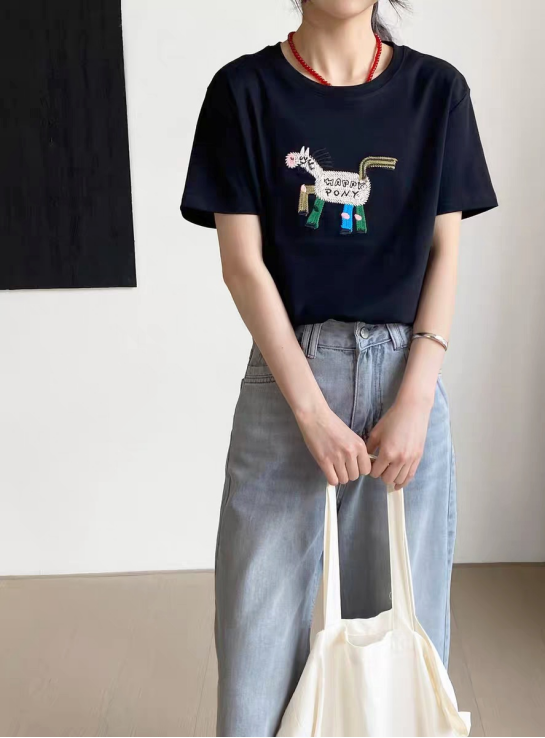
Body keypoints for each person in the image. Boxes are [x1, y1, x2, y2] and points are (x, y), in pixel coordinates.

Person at [180, 1, 497, 735]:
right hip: (289, 381)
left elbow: (445, 255)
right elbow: (242, 267)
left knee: (397, 641)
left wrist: (415, 400)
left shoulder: (437, 93)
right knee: (256, 643)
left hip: (407, 382)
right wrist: (310, 412)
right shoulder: (243, 92)